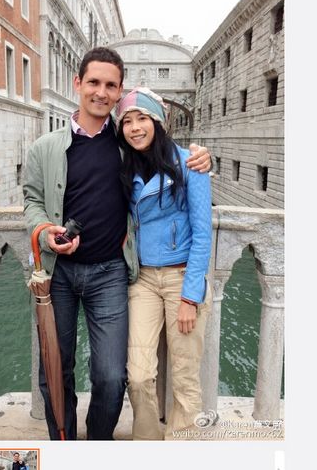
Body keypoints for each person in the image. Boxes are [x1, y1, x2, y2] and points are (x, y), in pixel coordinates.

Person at [23, 47, 211, 440]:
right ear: (78, 83)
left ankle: (98, 443)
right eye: (93, 82)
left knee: (112, 376)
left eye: (110, 85)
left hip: (111, 273)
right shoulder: (44, 147)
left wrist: (199, 157)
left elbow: (164, 154)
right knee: (55, 368)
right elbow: (32, 200)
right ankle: (63, 444)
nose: (101, 92)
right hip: (59, 273)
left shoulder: (128, 141)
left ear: (119, 91)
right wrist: (44, 230)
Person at [115, 87, 213, 440]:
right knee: (139, 375)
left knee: (185, 377)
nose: (135, 127)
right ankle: (147, 443)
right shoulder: (123, 165)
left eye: (142, 118)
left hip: (181, 277)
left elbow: (203, 234)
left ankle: (182, 446)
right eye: (127, 121)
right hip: (141, 280)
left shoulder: (190, 163)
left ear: (158, 122)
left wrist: (190, 297)